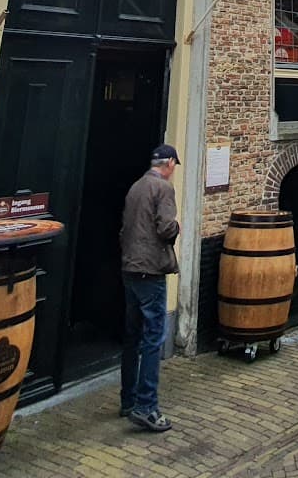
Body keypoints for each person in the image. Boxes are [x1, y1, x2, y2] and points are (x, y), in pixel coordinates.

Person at [119, 144, 181, 432]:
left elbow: (125, 228)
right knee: (154, 339)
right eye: (173, 166)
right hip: (151, 271)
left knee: (132, 337)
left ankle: (128, 400)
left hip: (129, 268)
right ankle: (146, 407)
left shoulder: (135, 186)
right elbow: (166, 228)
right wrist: (177, 228)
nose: (172, 171)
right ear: (168, 163)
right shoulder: (163, 189)